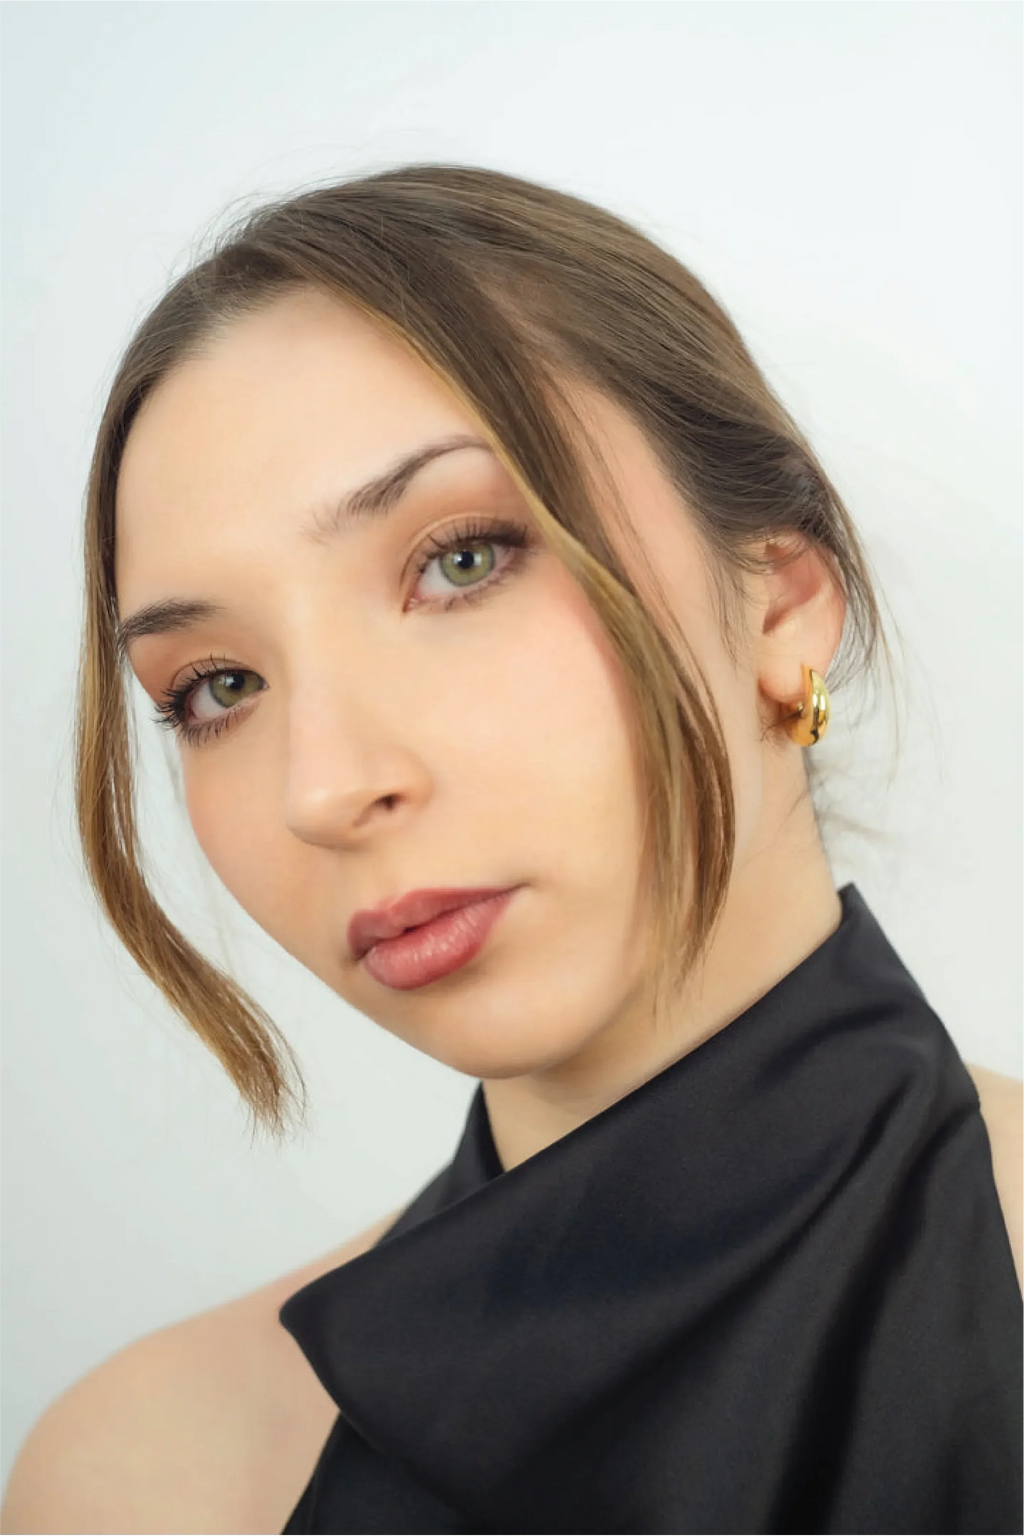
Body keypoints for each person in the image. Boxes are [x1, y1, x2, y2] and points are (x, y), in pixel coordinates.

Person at [2, 164, 1022, 1534]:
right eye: (218, 688)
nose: (324, 787)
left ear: (782, 602)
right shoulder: (150, 1481)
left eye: (463, 561)